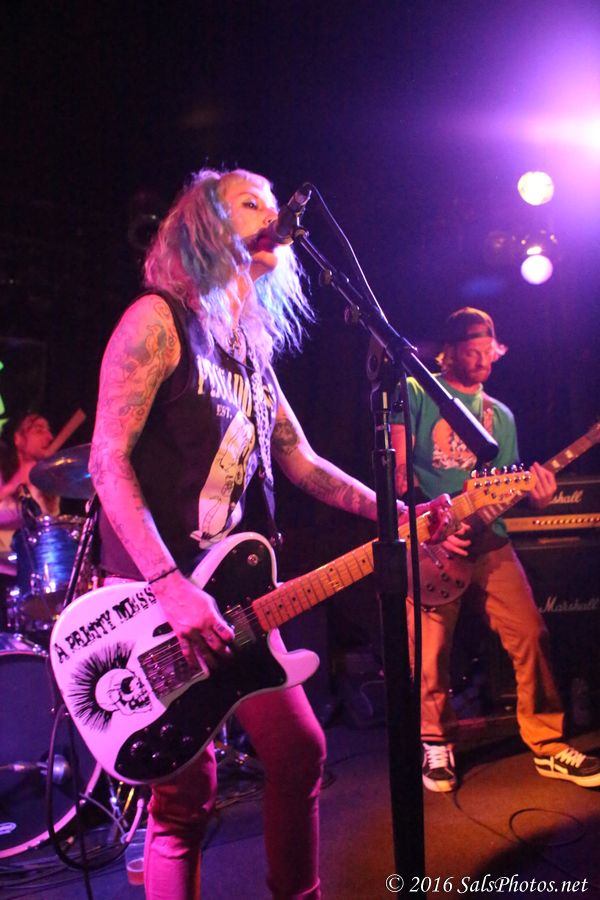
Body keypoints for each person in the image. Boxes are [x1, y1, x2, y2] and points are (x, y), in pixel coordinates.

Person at [88, 167, 453, 900]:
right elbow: (105, 459)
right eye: (247, 202)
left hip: (236, 591)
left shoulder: (251, 356)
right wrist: (169, 586)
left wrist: (397, 514)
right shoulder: (157, 321)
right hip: (154, 597)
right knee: (184, 797)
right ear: (203, 226)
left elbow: (303, 462)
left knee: (297, 752)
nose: (270, 211)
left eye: (269, 200)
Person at [390, 306, 600, 793]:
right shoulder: (416, 393)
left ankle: (547, 741)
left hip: (489, 541)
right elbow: (398, 477)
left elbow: (501, 486)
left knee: (530, 633)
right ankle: (435, 740)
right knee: (429, 651)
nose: (484, 359)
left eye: (490, 350)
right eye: (473, 350)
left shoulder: (500, 416)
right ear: (449, 351)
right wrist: (429, 527)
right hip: (428, 541)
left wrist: (534, 492)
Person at [0, 411, 59, 553]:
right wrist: (14, 483)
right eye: (39, 430)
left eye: (49, 431)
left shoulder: (50, 484)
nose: (49, 437)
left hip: (37, 557)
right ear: (18, 438)